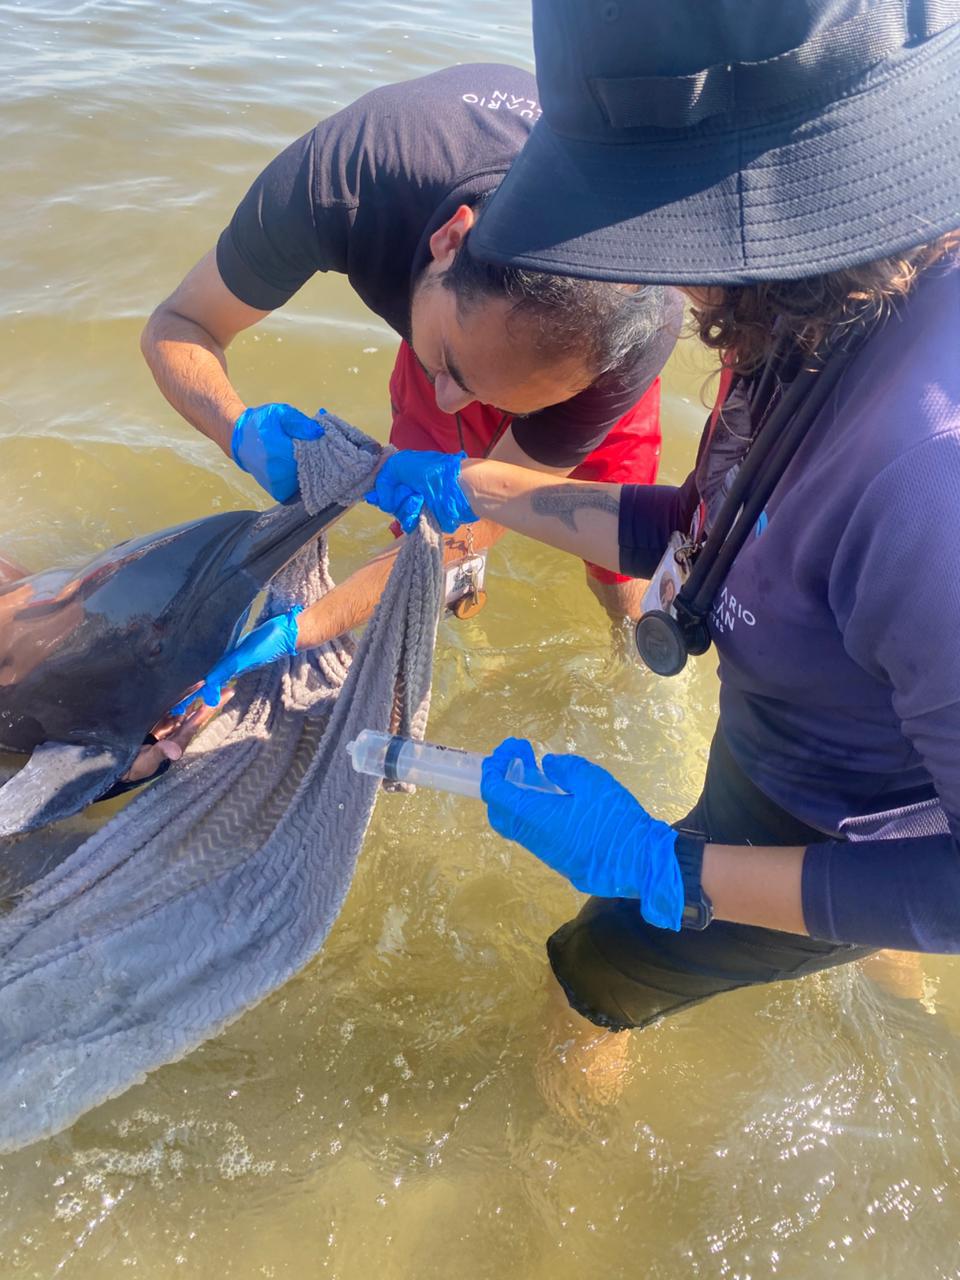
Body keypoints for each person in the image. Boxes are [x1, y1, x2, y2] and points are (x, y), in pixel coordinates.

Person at [361, 0, 960, 1041]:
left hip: (844, 813)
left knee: (588, 974)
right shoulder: (827, 305)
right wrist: (482, 488)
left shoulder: (930, 486)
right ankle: (891, 976)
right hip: (822, 733)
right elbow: (712, 531)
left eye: (650, 221)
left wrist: (668, 867)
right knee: (858, 912)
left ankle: (559, 1179)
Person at [141, 63, 682, 655]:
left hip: (572, 364)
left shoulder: (638, 324)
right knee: (424, 538)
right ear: (449, 241)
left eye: (488, 393)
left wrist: (310, 626)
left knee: (617, 572)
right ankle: (466, 651)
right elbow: (175, 326)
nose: (451, 402)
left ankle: (631, 650)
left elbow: (478, 523)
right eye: (451, 365)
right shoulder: (346, 177)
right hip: (470, 309)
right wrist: (235, 429)